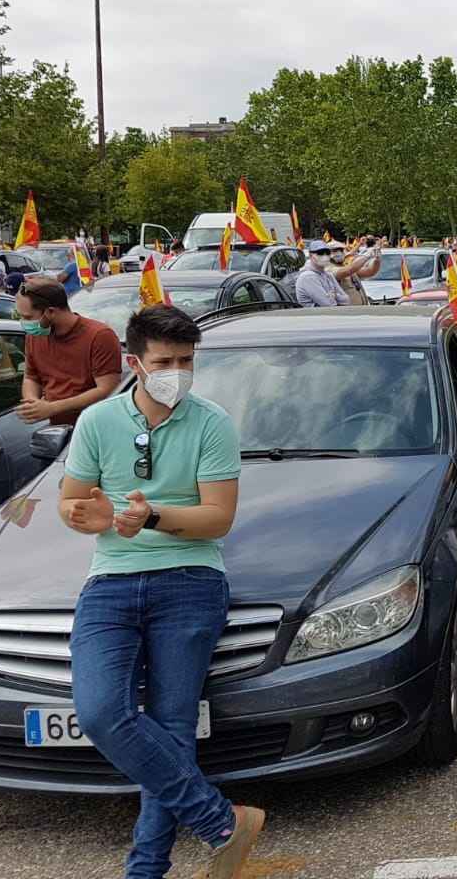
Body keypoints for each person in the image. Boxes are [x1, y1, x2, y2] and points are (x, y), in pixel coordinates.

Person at [58, 304, 264, 879]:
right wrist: (88, 514)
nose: (177, 371)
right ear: (135, 363)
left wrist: (150, 518)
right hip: (111, 582)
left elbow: (217, 519)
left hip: (191, 579)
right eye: (165, 361)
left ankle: (145, 871)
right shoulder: (97, 422)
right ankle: (222, 823)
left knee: (173, 729)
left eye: (186, 360)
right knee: (101, 713)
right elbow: (70, 502)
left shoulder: (212, 422)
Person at [14, 276, 122, 427]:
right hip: (58, 429)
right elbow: (32, 377)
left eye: (28, 317)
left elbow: (107, 389)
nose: (24, 323)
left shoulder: (99, 336)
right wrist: (33, 403)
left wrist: (52, 408)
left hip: (97, 427)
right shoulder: (35, 337)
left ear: (50, 312)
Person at [295, 240, 349, 308]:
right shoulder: (308, 277)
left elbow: (346, 300)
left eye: (327, 252)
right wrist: (336, 298)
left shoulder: (328, 275)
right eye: (320, 253)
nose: (325, 256)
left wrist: (335, 295)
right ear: (311, 255)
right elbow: (328, 304)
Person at [332, 238, 381, 305]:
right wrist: (366, 256)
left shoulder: (347, 267)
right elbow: (346, 271)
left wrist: (377, 260)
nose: (339, 253)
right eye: (335, 251)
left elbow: (370, 271)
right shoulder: (328, 269)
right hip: (346, 312)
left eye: (341, 250)